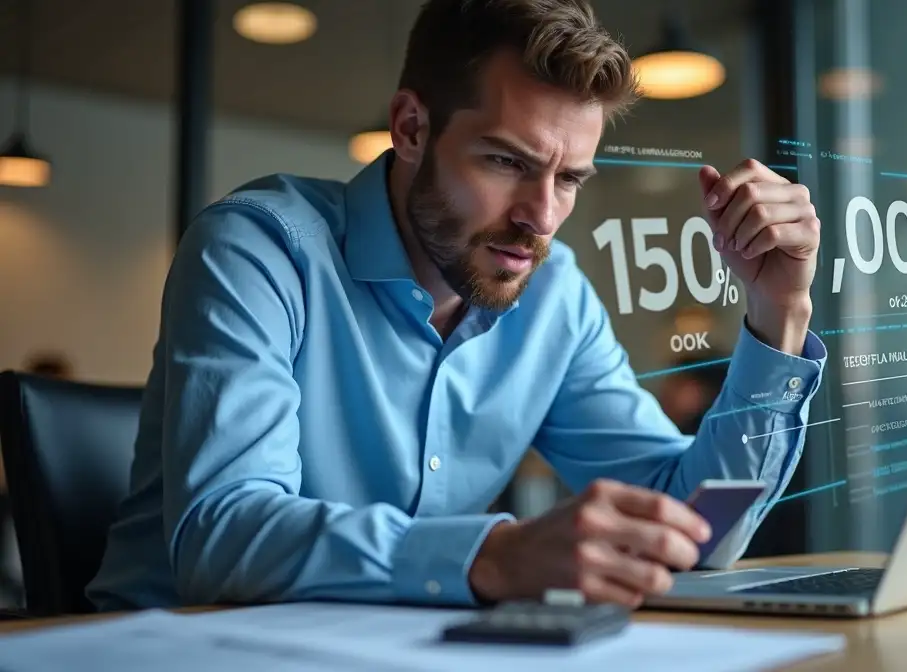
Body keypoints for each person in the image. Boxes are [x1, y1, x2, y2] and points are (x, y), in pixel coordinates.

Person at [87, 0, 827, 611]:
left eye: (569, 179)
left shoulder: (555, 297)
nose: (541, 216)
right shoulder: (258, 251)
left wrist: (778, 314)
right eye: (507, 162)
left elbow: (697, 531)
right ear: (411, 127)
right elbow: (223, 540)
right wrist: (496, 556)